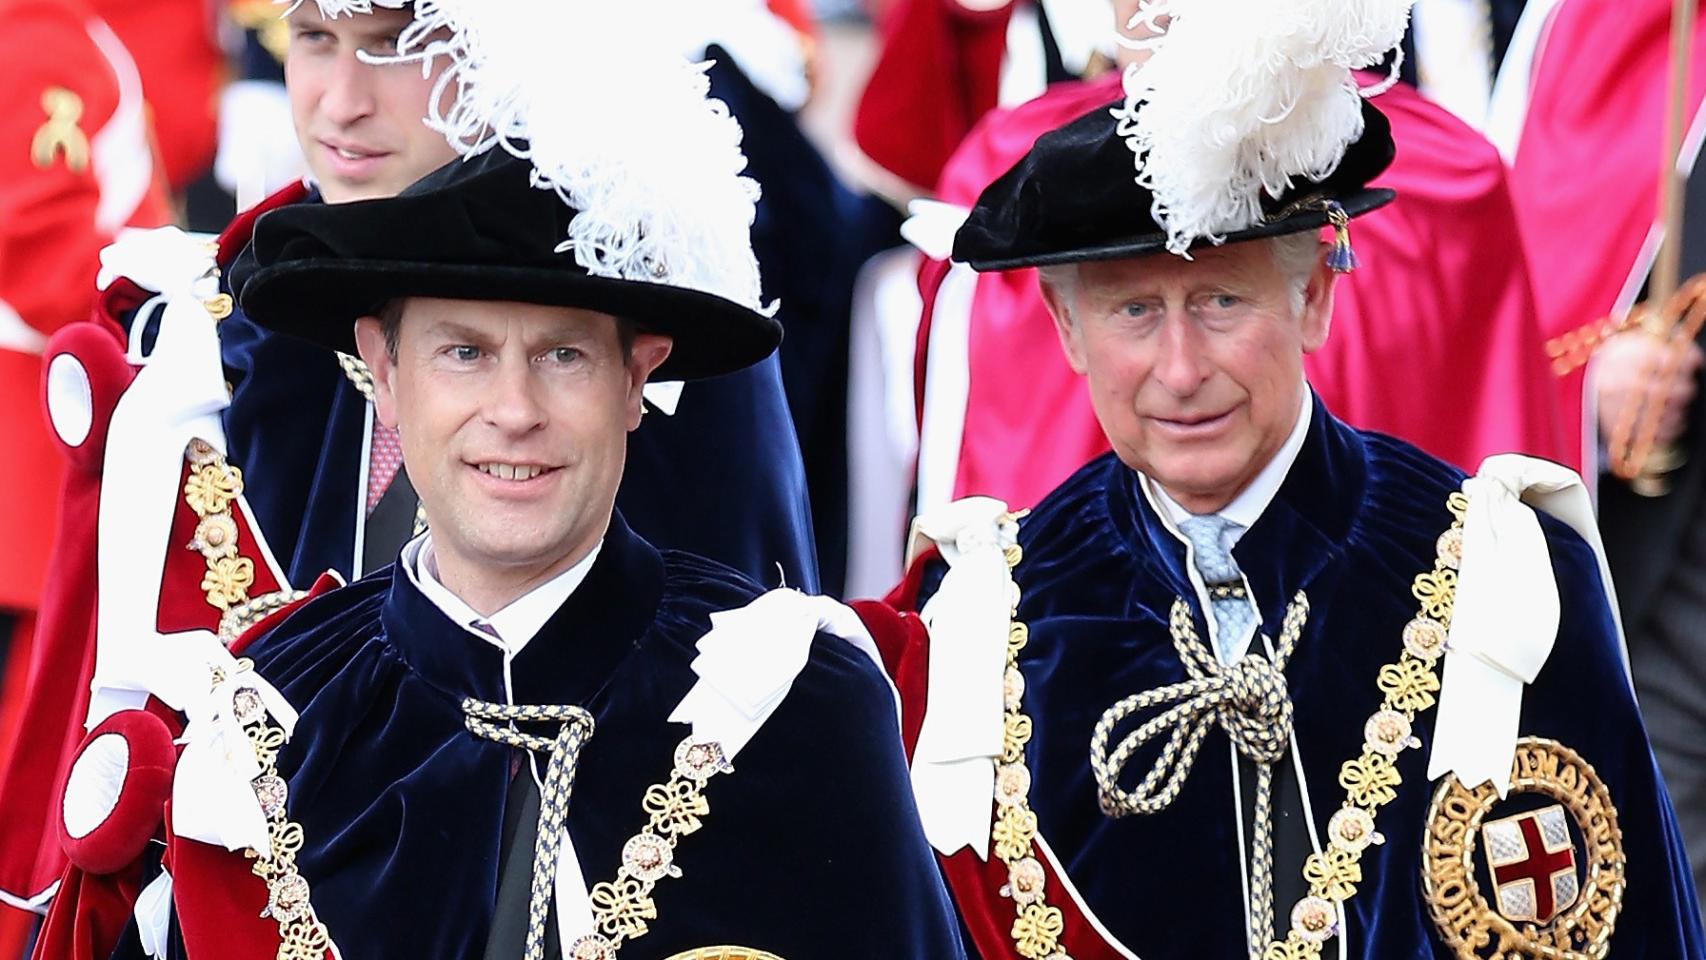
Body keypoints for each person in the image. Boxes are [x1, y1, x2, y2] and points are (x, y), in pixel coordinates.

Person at [59, 4, 967, 958]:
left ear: (639, 377)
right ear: (384, 367)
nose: (513, 409)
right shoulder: (265, 724)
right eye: (462, 353)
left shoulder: (792, 704)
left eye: (563, 356)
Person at [877, 2, 1706, 957]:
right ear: (1068, 331)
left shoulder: (1513, 581)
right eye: (1134, 311)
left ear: (1312, 295)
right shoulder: (977, 625)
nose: (1180, 371)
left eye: (1221, 301)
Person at [212, 0, 818, 593]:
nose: (342, 104)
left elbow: (740, 623)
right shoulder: (242, 314)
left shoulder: (645, 289)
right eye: (315, 36)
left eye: (397, 45)